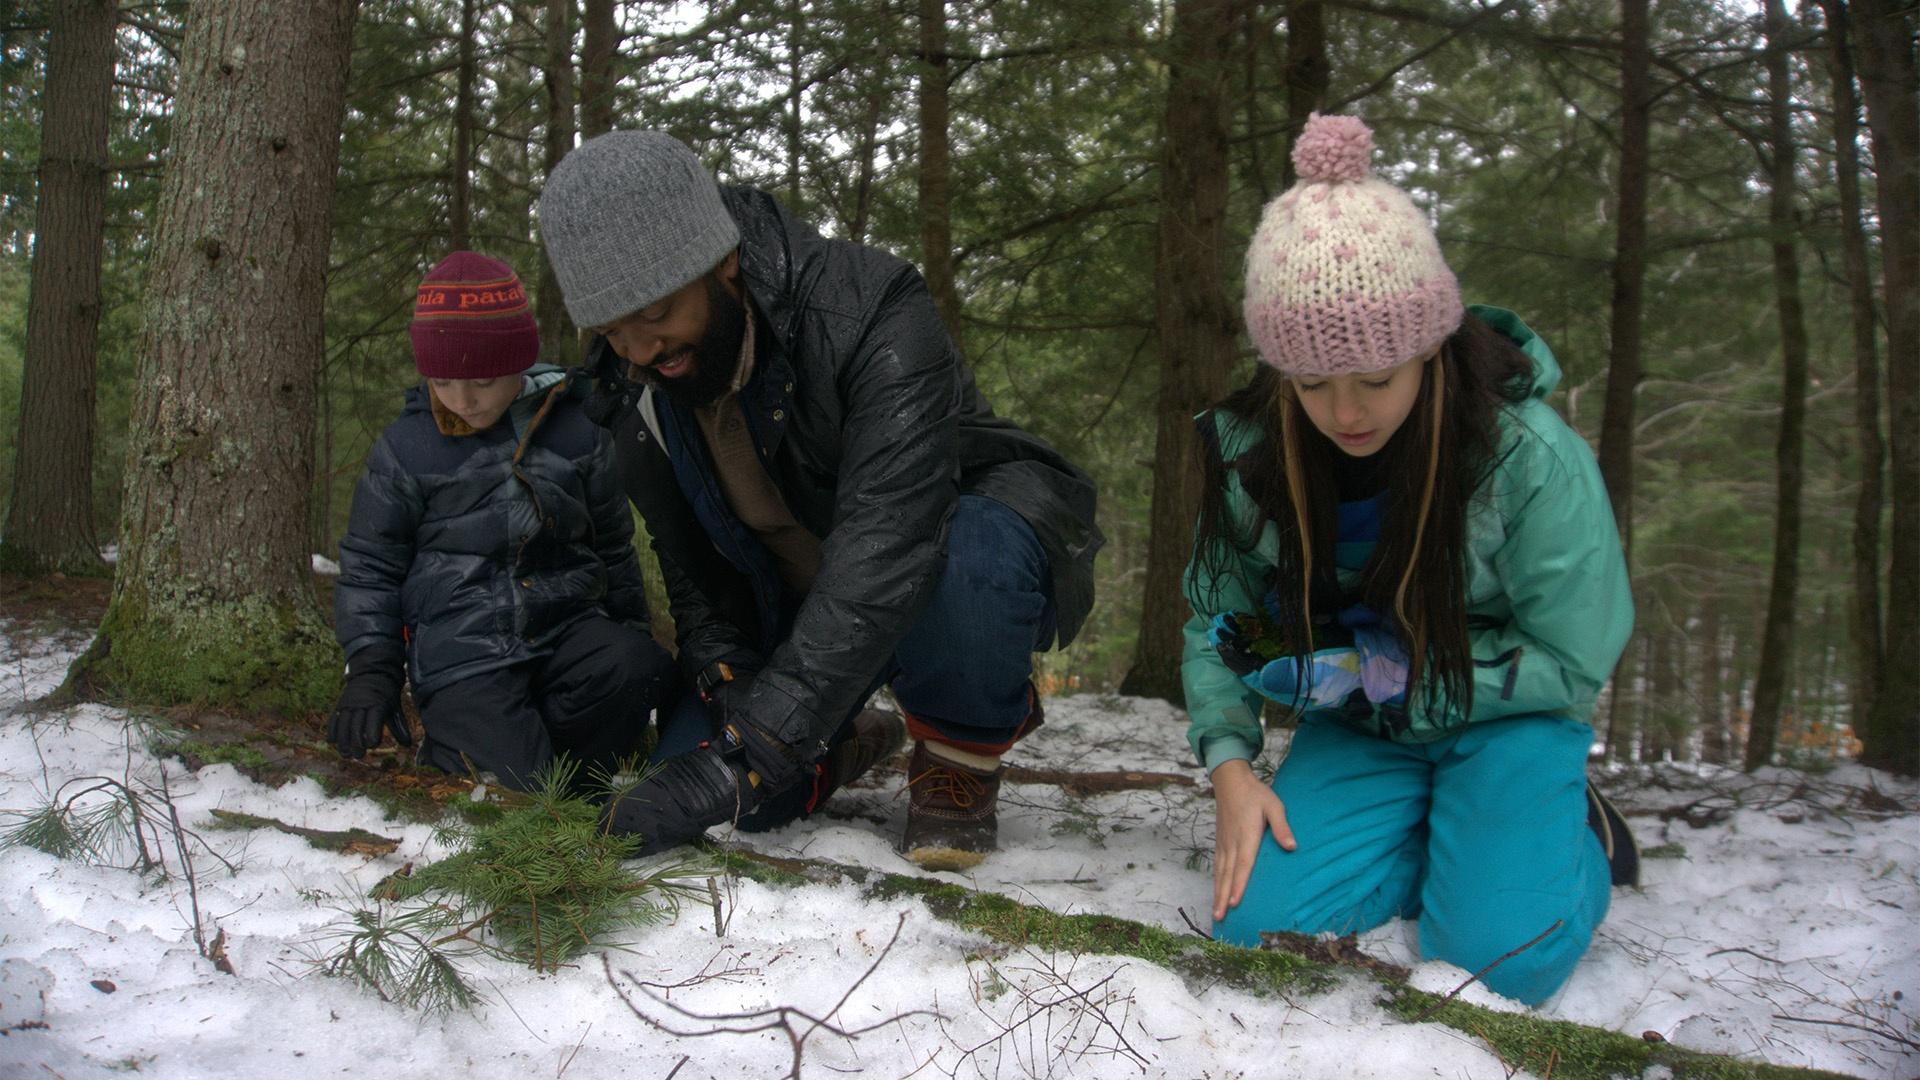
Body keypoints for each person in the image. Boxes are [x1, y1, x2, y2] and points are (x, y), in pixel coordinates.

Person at [535, 131, 1103, 865]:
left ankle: (962, 742)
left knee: (971, 564)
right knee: (729, 811)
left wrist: (746, 755)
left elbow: (891, 539)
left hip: (935, 560)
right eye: (615, 330)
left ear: (724, 260)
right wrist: (724, 674)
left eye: (656, 313)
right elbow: (688, 562)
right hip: (798, 600)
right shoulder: (630, 392)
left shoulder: (871, 307)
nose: (643, 350)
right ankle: (848, 742)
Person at [1182, 114, 1635, 1005]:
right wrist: (1232, 768)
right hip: (1365, 724)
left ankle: (1577, 834)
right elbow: (1222, 619)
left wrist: (1402, 686)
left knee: (1501, 963)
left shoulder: (1527, 456)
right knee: (1254, 929)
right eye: (1311, 384)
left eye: (1376, 378)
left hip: (1508, 716)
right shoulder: (1255, 455)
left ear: (1430, 347)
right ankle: (1454, 832)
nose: (1345, 411)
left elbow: (1576, 655)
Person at [330, 251, 678, 791]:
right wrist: (373, 667)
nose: (464, 399)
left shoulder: (578, 431)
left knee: (633, 666)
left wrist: (630, 639)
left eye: (485, 380)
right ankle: (494, 759)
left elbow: (612, 545)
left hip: (566, 630)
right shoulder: (407, 448)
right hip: (465, 654)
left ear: (519, 362)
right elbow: (371, 566)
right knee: (513, 788)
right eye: (443, 381)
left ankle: (571, 780)